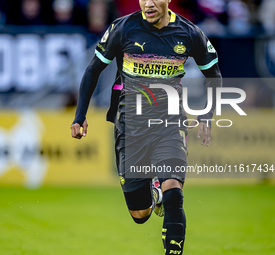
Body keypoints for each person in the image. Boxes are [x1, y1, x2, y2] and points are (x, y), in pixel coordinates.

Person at [71, 0, 222, 254]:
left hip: (170, 122)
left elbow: (214, 74)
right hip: (130, 124)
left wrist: (207, 114)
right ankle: (153, 191)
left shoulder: (189, 33)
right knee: (139, 213)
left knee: (174, 191)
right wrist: (79, 115)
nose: (148, 3)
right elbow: (93, 70)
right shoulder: (123, 28)